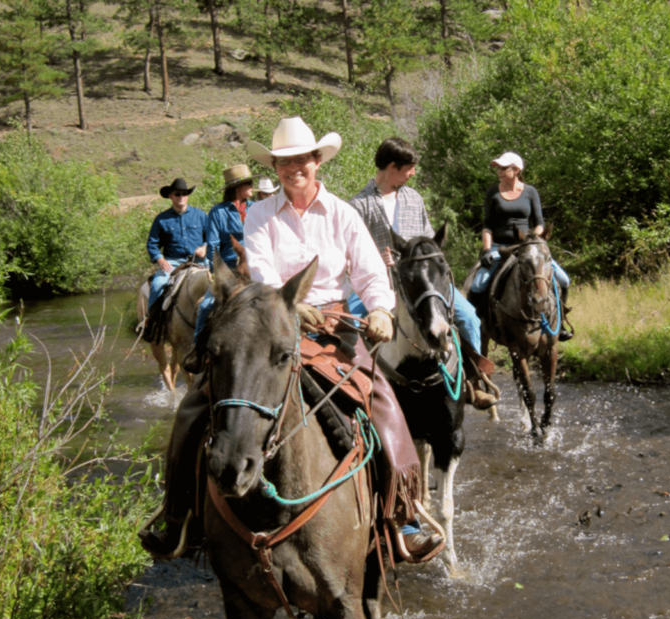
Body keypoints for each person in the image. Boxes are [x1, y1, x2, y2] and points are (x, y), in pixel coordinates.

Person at [139, 116, 443, 562]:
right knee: (199, 401)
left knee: (381, 399)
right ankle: (177, 514)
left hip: (334, 325)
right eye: (283, 161)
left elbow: (369, 272)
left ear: (317, 161)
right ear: (276, 166)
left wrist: (379, 307)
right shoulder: (261, 213)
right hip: (270, 320)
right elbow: (260, 270)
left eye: (301, 159)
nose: (293, 168)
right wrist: (287, 303)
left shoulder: (344, 213)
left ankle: (404, 515)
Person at [348, 137, 499, 410]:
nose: (413, 173)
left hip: (423, 283)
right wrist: (375, 260)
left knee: (469, 318)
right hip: (380, 283)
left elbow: (430, 240)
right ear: (392, 167)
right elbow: (349, 254)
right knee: (348, 324)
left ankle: (472, 383)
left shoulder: (413, 198)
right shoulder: (358, 206)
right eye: (409, 168)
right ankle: (355, 391)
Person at [469, 152, 574, 341]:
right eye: (498, 168)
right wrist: (486, 250)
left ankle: (561, 323)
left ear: (516, 170)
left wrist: (535, 240)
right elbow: (487, 226)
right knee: (478, 285)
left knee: (564, 280)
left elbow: (539, 222)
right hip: (500, 247)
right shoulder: (493, 192)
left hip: (528, 246)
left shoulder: (530, 192)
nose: (499, 172)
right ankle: (479, 324)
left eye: (503, 168)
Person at [193, 164, 254, 342]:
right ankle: (197, 347)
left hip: (256, 266)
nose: (252, 186)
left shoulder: (256, 208)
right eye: (248, 183)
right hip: (229, 268)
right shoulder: (218, 212)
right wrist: (215, 271)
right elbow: (212, 245)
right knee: (206, 306)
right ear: (237, 188)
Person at [145, 177, 208, 311]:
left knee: (222, 285)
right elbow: (152, 244)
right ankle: (150, 323)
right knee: (157, 285)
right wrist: (160, 260)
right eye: (177, 194)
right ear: (170, 196)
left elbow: (212, 237)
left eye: (184, 194)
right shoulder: (161, 219)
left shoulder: (200, 215)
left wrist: (205, 247)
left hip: (199, 261)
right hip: (172, 263)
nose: (181, 197)